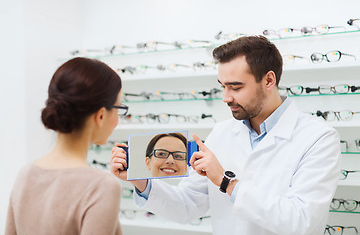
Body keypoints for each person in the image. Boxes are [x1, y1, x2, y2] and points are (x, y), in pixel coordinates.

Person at [110, 35, 341, 235]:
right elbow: (187, 205)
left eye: (236, 87)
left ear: (269, 80)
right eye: (222, 86)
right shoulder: (222, 133)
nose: (226, 97)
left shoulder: (318, 138)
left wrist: (225, 181)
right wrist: (141, 182)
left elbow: (300, 220)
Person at [5, 57, 127, 235]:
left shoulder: (26, 174)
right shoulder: (102, 186)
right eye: (119, 108)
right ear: (101, 116)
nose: (118, 118)